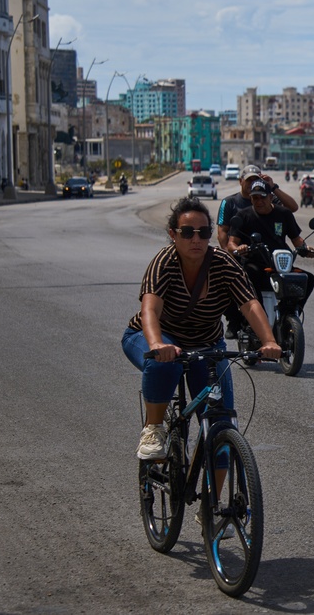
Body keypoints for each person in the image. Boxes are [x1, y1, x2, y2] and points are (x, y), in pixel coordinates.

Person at [122, 197, 281, 462]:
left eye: (204, 232)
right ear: (173, 234)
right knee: (167, 364)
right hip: (153, 336)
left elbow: (251, 305)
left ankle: (217, 504)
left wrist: (269, 341)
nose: (196, 239)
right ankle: (154, 429)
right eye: (187, 233)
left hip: (206, 345)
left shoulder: (223, 264)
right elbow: (150, 310)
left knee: (221, 424)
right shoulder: (164, 263)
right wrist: (157, 345)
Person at [217, 166, 298, 338]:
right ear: (241, 182)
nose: (258, 200)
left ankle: (287, 316)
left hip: (270, 257)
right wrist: (230, 254)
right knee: (223, 279)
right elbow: (224, 232)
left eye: (256, 180)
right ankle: (235, 320)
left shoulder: (269, 200)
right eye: (249, 181)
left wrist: (272, 187)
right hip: (242, 254)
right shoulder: (231, 203)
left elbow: (292, 208)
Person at [229, 180, 314, 306]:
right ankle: (257, 314)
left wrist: (306, 249)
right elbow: (231, 243)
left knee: (309, 279)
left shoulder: (284, 214)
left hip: (281, 266)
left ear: (270, 197)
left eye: (263, 197)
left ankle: (290, 312)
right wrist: (240, 248)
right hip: (256, 265)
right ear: (251, 198)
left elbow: (296, 239)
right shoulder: (243, 215)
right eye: (255, 198)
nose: (259, 201)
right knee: (248, 275)